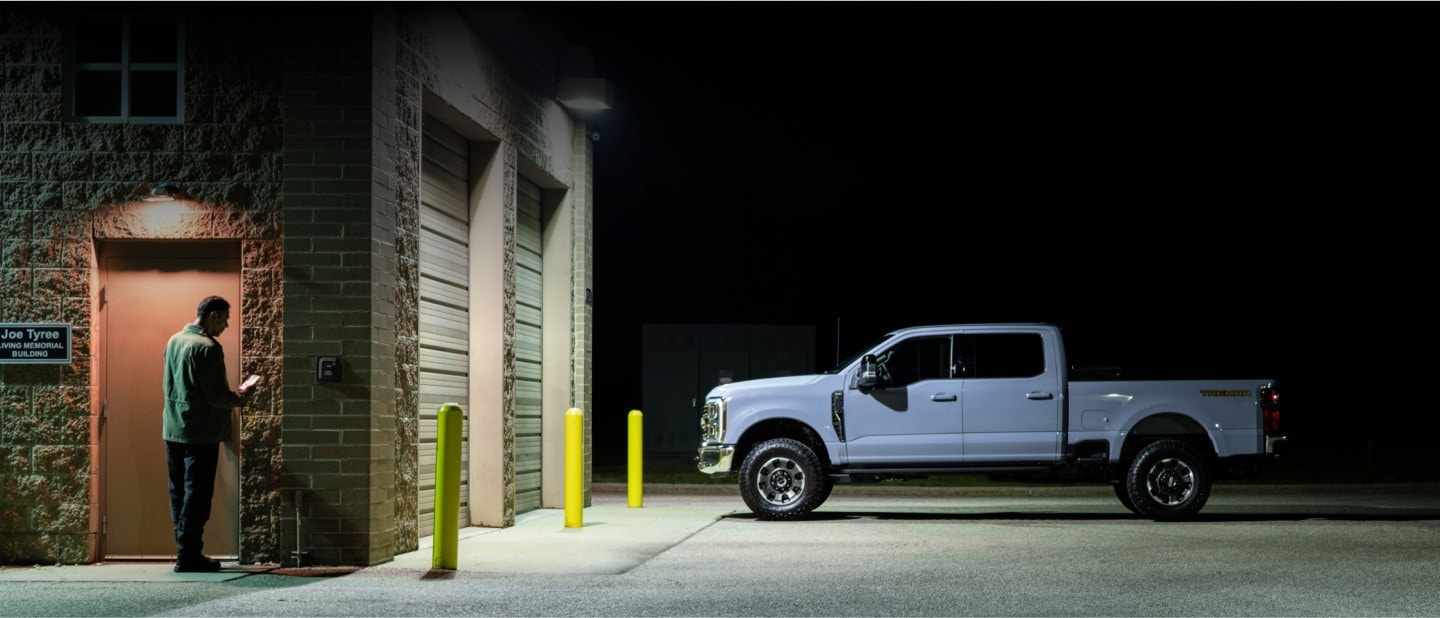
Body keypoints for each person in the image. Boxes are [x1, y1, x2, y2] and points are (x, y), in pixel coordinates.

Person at [162, 295, 259, 573]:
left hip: (173, 428)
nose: (226, 325)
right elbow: (216, 397)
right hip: (200, 433)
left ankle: (185, 550)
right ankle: (188, 556)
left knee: (179, 492)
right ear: (213, 315)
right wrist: (242, 395)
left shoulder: (174, 340)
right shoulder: (207, 348)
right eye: (224, 319)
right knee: (198, 495)